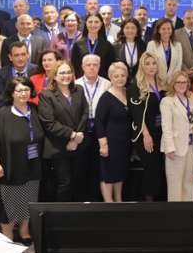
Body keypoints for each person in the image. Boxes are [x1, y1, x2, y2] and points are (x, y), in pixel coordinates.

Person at [0, 78, 45, 243]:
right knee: (9, 202)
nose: (23, 93)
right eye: (19, 90)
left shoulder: (35, 110)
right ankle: (7, 234)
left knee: (29, 198)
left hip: (32, 165)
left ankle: (24, 231)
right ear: (12, 93)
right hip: (10, 166)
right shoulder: (3, 114)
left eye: (26, 90)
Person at [37, 61, 86, 202]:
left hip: (78, 145)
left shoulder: (79, 90)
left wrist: (76, 138)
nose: (66, 75)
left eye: (69, 72)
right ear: (54, 76)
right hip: (58, 146)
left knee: (78, 182)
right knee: (65, 183)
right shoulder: (46, 95)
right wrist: (72, 135)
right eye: (62, 73)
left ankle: (76, 212)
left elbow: (85, 113)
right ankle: (61, 213)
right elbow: (49, 123)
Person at [95, 63, 134, 202]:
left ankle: (118, 201)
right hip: (110, 142)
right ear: (110, 78)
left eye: (123, 75)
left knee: (120, 171)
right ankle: (109, 204)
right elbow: (99, 122)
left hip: (125, 142)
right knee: (108, 174)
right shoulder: (106, 97)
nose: (120, 78)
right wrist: (103, 145)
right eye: (116, 76)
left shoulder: (129, 93)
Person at [76, 55, 112, 201]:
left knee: (99, 167)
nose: (92, 67)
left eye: (95, 64)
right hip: (82, 128)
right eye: (88, 64)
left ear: (99, 66)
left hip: (101, 130)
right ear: (82, 67)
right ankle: (83, 201)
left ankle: (96, 200)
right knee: (82, 166)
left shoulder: (107, 84)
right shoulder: (76, 84)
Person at [132, 53, 166, 201]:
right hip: (146, 133)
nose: (151, 66)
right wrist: (146, 135)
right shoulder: (136, 86)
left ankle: (161, 201)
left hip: (162, 132)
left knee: (161, 166)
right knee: (151, 167)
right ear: (142, 66)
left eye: (154, 63)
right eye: (147, 63)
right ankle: (149, 203)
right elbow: (137, 113)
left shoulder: (163, 84)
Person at [161, 72, 193, 201]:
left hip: (191, 146)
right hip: (175, 148)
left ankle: (188, 210)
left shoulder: (190, 97)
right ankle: (175, 212)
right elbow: (166, 127)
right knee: (175, 183)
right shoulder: (167, 101)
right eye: (178, 82)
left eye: (184, 82)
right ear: (173, 84)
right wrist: (169, 148)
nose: (182, 85)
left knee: (189, 182)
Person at [71, 14, 116, 79]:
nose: (93, 25)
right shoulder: (78, 44)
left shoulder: (107, 45)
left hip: (102, 81)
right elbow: (75, 66)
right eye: (90, 22)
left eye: (96, 22)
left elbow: (110, 67)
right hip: (82, 81)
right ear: (86, 24)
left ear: (101, 24)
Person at [147, 17, 184, 82]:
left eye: (168, 28)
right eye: (163, 29)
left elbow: (178, 65)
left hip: (172, 82)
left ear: (172, 30)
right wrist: (159, 80)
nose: (166, 31)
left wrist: (172, 79)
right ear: (159, 30)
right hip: (156, 81)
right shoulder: (151, 45)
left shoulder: (178, 45)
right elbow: (150, 65)